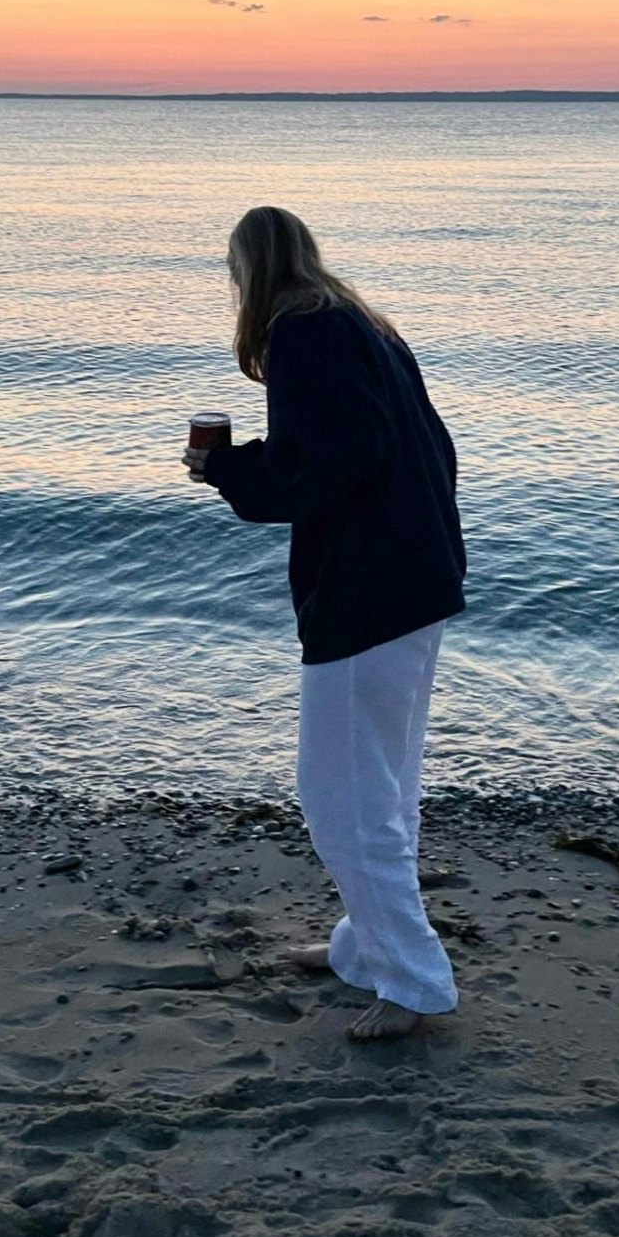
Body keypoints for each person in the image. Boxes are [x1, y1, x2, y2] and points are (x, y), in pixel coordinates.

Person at [184, 206, 468, 1041]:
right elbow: (417, 451)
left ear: (250, 271)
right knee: (382, 786)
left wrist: (225, 469)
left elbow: (326, 471)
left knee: (338, 795)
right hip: (417, 576)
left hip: (368, 590)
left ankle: (414, 983)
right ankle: (363, 948)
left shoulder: (304, 336)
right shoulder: (363, 326)